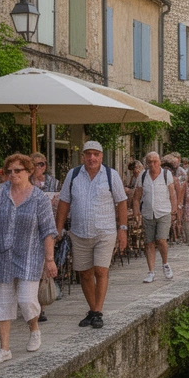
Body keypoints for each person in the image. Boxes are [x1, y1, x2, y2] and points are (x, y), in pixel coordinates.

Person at [0, 154, 58, 365]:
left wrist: (49, 260)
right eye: (9, 171)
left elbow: (48, 231)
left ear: (29, 172)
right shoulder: (0, 195)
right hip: (3, 255)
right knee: (1, 302)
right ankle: (4, 348)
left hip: (30, 255)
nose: (13, 175)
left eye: (18, 171)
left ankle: (34, 329)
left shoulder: (39, 198)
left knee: (26, 299)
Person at [55, 140, 129, 330]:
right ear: (83, 157)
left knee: (101, 270)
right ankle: (92, 309)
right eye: (88, 154)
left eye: (96, 154)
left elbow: (121, 202)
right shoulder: (73, 175)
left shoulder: (111, 176)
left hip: (104, 231)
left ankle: (97, 311)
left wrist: (122, 229)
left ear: (101, 156)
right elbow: (64, 202)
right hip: (79, 232)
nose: (92, 158)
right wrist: (58, 228)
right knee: (85, 273)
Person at [131, 151, 177, 283]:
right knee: (149, 242)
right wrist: (136, 213)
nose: (152, 164)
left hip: (163, 211)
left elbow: (172, 193)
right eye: (149, 162)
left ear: (159, 162)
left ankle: (165, 263)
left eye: (155, 161)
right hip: (147, 212)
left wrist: (174, 210)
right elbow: (137, 196)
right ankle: (151, 271)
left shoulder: (166, 174)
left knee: (161, 239)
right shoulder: (143, 175)